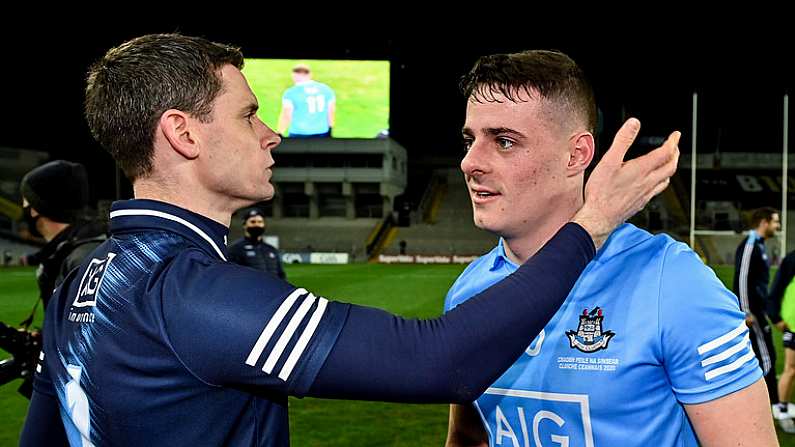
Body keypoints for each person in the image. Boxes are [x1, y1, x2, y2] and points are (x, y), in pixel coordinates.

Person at [20, 34, 676, 446]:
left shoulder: (84, 275)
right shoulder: (196, 295)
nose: (271, 132)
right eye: (248, 115)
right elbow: (438, 361)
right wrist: (590, 222)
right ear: (183, 135)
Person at [444, 50, 775, 447]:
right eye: (469, 139)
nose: (469, 162)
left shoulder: (673, 283)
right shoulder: (469, 290)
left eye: (504, 141)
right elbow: (469, 438)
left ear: (577, 154)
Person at [19, 160, 106, 309]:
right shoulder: (70, 248)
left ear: (35, 209)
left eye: (26, 201)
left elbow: (90, 329)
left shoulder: (81, 259)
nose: (23, 207)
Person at [732, 207, 787, 429]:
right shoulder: (750, 245)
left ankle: (768, 402)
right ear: (763, 222)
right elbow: (742, 280)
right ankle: (770, 404)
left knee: (766, 356)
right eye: (775, 222)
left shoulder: (760, 245)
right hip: (752, 315)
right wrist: (746, 312)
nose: (778, 226)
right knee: (766, 359)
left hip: (758, 313)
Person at [769, 249, 795, 425]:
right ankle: (782, 410)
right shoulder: (792, 260)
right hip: (793, 326)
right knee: (791, 368)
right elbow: (776, 290)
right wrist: (776, 318)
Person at [277, 63, 336, 138]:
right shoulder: (326, 89)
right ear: (309, 75)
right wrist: (330, 127)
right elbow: (331, 111)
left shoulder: (291, 93)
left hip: (299, 133)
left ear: (294, 75)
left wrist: (280, 132)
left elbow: (287, 114)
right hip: (322, 132)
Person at [228, 208, 286, 279]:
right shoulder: (235, 249)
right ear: (244, 225)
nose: (257, 225)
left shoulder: (271, 250)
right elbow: (232, 277)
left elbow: (281, 275)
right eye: (253, 222)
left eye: (260, 222)